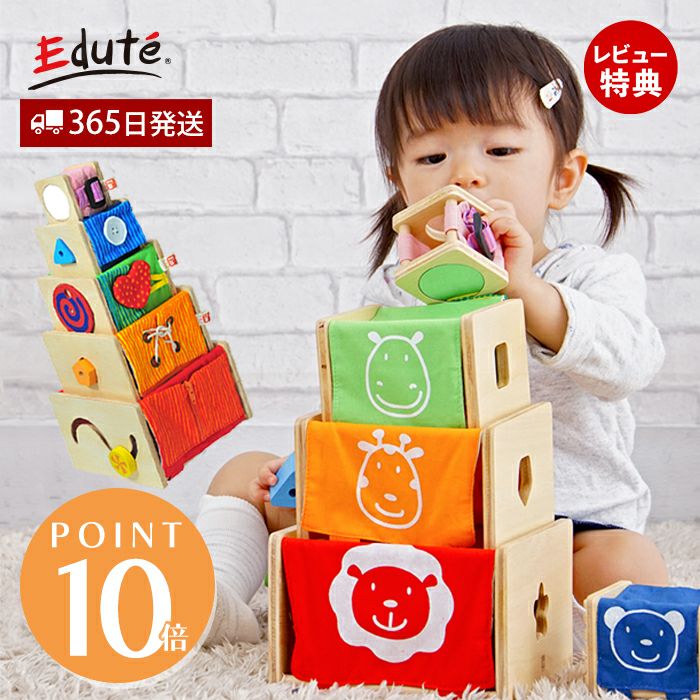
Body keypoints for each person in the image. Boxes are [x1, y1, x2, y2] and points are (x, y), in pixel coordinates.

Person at [195, 24, 668, 652]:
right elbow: (363, 404)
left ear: (562, 177)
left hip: (562, 521)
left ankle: (536, 635)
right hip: (419, 515)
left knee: (627, 565)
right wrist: (314, 466)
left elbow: (630, 363)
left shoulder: (589, 277)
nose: (465, 175)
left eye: (500, 150)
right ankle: (218, 604)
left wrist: (524, 290)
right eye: (432, 159)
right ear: (402, 184)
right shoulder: (396, 292)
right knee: (242, 474)